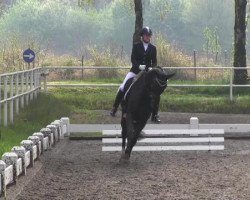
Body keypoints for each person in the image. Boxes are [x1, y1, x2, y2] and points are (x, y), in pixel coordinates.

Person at [110, 26, 161, 123]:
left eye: (149, 35)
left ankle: (155, 115)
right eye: (146, 35)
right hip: (135, 71)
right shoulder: (136, 46)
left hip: (147, 73)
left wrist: (152, 67)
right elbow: (133, 59)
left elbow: (154, 62)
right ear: (142, 36)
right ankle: (114, 108)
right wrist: (139, 66)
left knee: (156, 90)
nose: (148, 37)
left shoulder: (153, 48)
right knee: (123, 86)